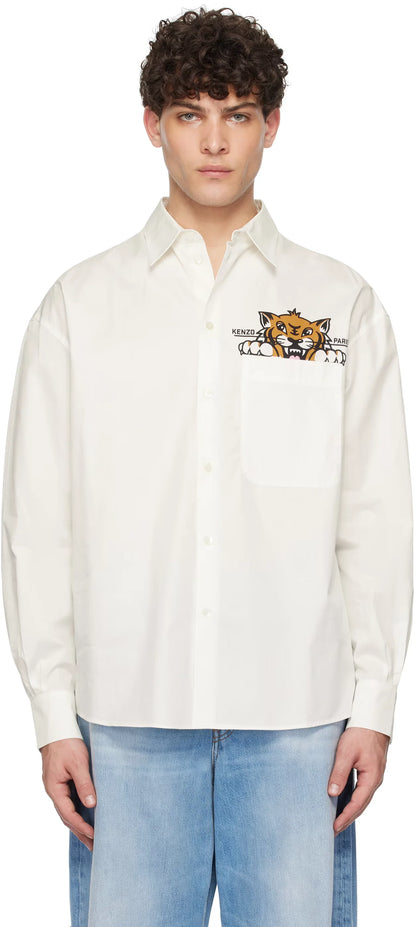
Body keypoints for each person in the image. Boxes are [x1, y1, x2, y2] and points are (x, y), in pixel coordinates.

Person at [1, 7, 413, 927]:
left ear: (273, 124)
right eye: (191, 114)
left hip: (300, 722)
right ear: (152, 125)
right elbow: (38, 522)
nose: (215, 141)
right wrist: (54, 713)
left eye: (238, 113)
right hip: (127, 719)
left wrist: (376, 703)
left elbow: (377, 515)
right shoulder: (79, 308)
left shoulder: (338, 305)